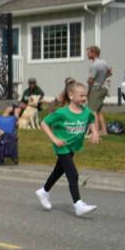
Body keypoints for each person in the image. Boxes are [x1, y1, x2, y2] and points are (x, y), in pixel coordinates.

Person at [36, 81, 100, 216]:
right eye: (81, 95)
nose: (84, 98)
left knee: (58, 171)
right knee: (73, 174)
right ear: (71, 96)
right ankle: (78, 204)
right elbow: (44, 123)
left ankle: (43, 191)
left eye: (85, 95)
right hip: (62, 146)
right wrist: (54, 139)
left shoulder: (86, 111)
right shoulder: (62, 113)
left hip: (72, 147)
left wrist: (95, 132)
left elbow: (92, 119)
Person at [86, 46, 111, 136]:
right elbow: (110, 72)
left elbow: (91, 81)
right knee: (98, 111)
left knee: (92, 111)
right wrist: (102, 79)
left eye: (88, 52)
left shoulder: (94, 65)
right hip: (104, 88)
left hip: (96, 89)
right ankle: (104, 131)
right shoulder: (104, 62)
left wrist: (88, 92)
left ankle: (95, 133)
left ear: (93, 53)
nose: (87, 54)